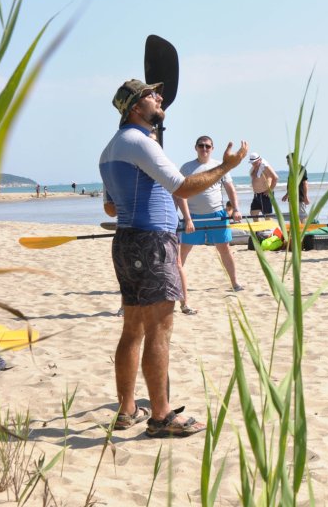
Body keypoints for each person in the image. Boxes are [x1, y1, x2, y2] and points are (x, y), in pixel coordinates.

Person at [99, 79, 248, 438]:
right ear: (136, 107)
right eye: (152, 95)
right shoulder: (139, 142)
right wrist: (226, 166)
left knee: (132, 328)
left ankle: (126, 410)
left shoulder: (112, 148)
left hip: (128, 241)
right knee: (159, 328)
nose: (160, 97)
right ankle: (162, 416)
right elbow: (183, 186)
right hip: (151, 243)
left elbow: (109, 206)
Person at [178, 136, 244, 298]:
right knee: (183, 250)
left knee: (224, 249)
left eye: (208, 146)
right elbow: (179, 194)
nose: (204, 149)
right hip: (193, 217)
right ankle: (176, 284)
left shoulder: (219, 166)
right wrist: (187, 218)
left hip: (217, 215)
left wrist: (236, 209)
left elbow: (230, 189)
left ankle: (235, 282)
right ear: (196, 147)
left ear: (212, 149)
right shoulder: (187, 167)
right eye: (201, 146)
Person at [248, 152, 278, 220]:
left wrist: (270, 190)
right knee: (253, 213)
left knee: (267, 215)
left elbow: (275, 177)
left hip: (265, 194)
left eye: (255, 162)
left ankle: (269, 229)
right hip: (256, 195)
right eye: (252, 162)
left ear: (260, 160)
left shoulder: (265, 167)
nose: (253, 164)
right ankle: (259, 230)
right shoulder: (254, 168)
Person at [282, 153, 311, 222]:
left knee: (302, 216)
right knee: (294, 217)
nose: (287, 163)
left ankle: (304, 231)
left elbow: (305, 183)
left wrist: (305, 197)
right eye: (287, 161)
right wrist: (286, 195)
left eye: (288, 161)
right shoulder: (291, 170)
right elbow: (291, 185)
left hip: (300, 197)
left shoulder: (301, 168)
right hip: (292, 198)